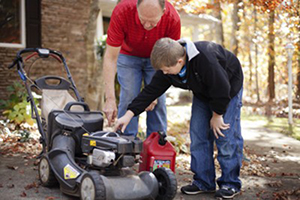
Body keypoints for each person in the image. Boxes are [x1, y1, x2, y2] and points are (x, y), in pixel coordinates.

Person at [115, 37, 244, 199]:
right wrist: (129, 114)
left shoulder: (205, 59)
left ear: (180, 61)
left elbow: (221, 88)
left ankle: (230, 183)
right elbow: (151, 91)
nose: (164, 73)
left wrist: (217, 115)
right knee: (198, 135)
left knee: (225, 136)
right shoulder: (168, 66)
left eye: (166, 70)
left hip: (228, 89)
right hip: (203, 92)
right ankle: (203, 181)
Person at [103, 0, 181, 136]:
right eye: (142, 20)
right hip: (128, 56)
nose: (146, 26)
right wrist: (109, 99)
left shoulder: (173, 18)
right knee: (129, 97)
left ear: (163, 13)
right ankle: (126, 144)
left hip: (158, 58)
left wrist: (155, 93)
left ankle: (157, 144)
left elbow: (170, 59)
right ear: (137, 8)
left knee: (158, 102)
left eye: (152, 22)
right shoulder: (122, 11)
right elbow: (110, 57)